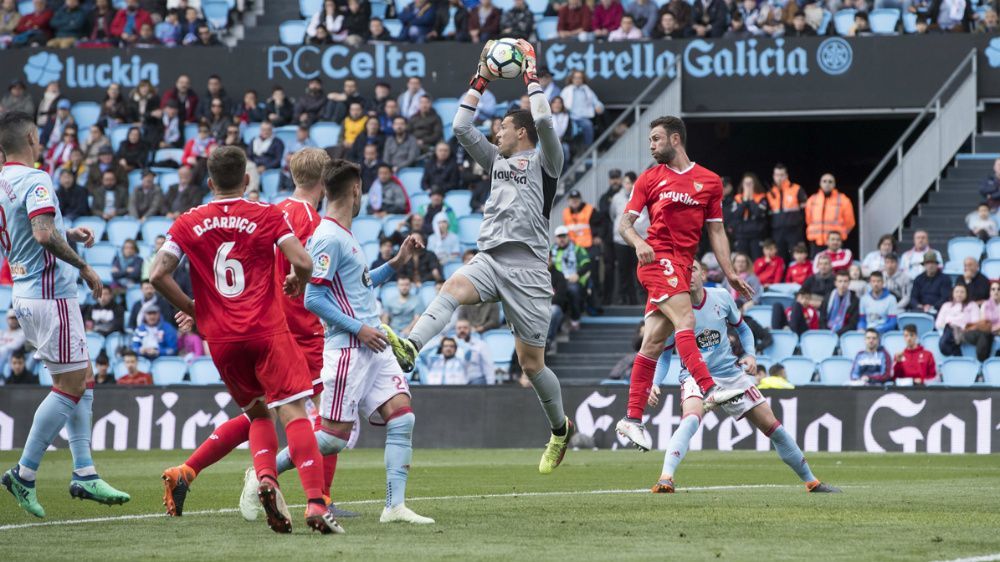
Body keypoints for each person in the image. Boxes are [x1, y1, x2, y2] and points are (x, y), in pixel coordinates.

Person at [391, 40, 576, 474]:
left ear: (522, 133)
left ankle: (559, 429)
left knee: (532, 366)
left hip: (529, 269)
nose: (496, 132)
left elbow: (545, 117)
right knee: (452, 286)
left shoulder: (548, 161)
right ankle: (411, 347)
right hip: (490, 258)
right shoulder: (495, 161)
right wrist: (482, 77)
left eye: (503, 127)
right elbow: (459, 126)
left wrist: (530, 72)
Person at [149, 146, 342, 534]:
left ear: (208, 182)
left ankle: (253, 477)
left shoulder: (188, 220)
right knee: (302, 414)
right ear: (248, 178)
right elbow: (304, 264)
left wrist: (198, 308)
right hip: (279, 328)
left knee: (258, 413)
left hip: (220, 337)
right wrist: (298, 281)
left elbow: (156, 274)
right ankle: (318, 500)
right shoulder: (270, 214)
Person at [252, 158, 434, 524]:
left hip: (373, 347)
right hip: (350, 348)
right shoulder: (328, 237)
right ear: (356, 190)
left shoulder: (344, 235)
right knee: (333, 438)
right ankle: (262, 475)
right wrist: (359, 329)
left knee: (402, 416)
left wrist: (396, 262)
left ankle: (394, 506)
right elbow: (313, 298)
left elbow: (359, 284)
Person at [0, 111, 129, 518]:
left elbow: (30, 230)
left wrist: (65, 232)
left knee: (81, 376)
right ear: (33, 138)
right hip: (51, 293)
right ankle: (24, 472)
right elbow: (41, 233)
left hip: (23, 291)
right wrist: (84, 265)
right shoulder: (36, 179)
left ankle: (85, 471)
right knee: (71, 385)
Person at [615, 114, 753, 452]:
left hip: (681, 265)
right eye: (650, 140)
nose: (651, 145)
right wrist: (639, 242)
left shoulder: (709, 181)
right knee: (686, 320)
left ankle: (631, 419)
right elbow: (624, 224)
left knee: (652, 343)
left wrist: (730, 272)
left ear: (676, 140)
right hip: (655, 260)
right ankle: (709, 388)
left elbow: (716, 231)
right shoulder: (649, 179)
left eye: (656, 139)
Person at [646, 261, 839, 493]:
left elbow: (743, 328)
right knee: (690, 419)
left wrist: (750, 354)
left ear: (704, 273)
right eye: (683, 271)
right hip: (695, 376)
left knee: (773, 427)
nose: (689, 274)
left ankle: (812, 481)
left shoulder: (721, 297)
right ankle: (666, 477)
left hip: (730, 374)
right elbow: (665, 354)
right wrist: (655, 383)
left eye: (693, 269)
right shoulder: (673, 309)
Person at [550, 225, 591, 329]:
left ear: (568, 236)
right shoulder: (551, 250)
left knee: (573, 291)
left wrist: (577, 274)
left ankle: (575, 320)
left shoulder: (577, 249)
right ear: (556, 238)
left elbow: (587, 264)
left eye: (564, 236)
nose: (562, 239)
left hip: (571, 280)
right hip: (555, 281)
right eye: (559, 237)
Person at [804, 173, 855, 253]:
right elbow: (808, 220)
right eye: (824, 181)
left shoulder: (843, 200)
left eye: (830, 182)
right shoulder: (812, 200)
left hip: (835, 242)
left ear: (834, 184)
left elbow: (850, 222)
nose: (827, 184)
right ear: (820, 183)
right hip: (816, 241)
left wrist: (840, 236)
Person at [765, 164, 806, 261]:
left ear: (786, 176)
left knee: (795, 256)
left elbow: (806, 211)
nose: (779, 178)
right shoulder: (770, 193)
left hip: (794, 230)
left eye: (781, 175)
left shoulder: (796, 189)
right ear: (773, 176)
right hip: (777, 231)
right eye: (777, 175)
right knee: (779, 258)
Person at [727, 172, 769, 260]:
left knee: (756, 259)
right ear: (742, 184)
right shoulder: (737, 198)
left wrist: (751, 200)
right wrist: (745, 200)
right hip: (741, 234)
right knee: (741, 259)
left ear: (755, 184)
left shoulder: (761, 197)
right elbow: (735, 215)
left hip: (756, 234)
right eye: (746, 183)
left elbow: (759, 213)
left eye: (750, 183)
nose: (748, 186)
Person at [937, 284, 982, 359]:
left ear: (966, 293)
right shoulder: (946, 305)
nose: (959, 294)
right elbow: (939, 323)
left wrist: (961, 326)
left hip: (964, 331)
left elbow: (975, 322)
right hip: (948, 330)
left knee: (946, 341)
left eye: (962, 292)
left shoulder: (972, 305)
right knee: (948, 331)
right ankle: (957, 353)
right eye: (957, 291)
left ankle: (957, 355)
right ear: (952, 293)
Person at [819, 270, 859, 335]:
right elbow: (822, 319)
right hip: (827, 333)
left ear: (849, 283)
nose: (842, 284)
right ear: (835, 283)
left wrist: (837, 333)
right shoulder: (828, 297)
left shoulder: (854, 300)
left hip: (845, 334)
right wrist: (826, 332)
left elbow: (853, 323)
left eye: (845, 281)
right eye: (840, 281)